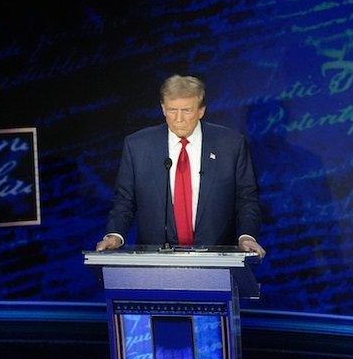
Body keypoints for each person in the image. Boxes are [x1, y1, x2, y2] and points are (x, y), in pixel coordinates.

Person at [96, 74, 265, 257]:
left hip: (217, 258)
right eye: (172, 110)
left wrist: (247, 236)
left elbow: (246, 198)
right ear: (163, 108)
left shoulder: (230, 145)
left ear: (201, 110)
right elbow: (124, 200)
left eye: (186, 111)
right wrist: (115, 235)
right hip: (155, 261)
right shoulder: (138, 146)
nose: (178, 119)